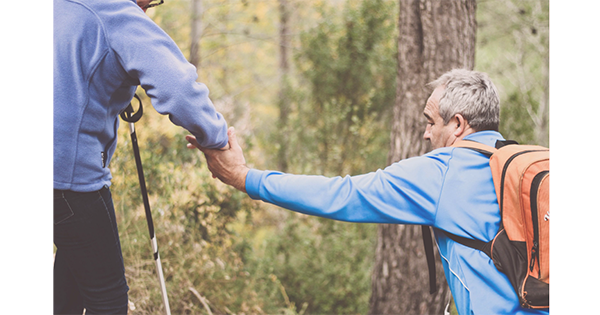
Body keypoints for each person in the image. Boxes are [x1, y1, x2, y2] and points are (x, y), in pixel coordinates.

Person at [186, 69, 550, 315]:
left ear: (457, 124)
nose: (425, 134)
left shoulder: (441, 172)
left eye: (429, 121)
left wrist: (245, 177)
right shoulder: (516, 162)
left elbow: (341, 195)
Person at [53, 0, 230, 314]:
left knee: (73, 279)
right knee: (107, 298)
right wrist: (217, 139)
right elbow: (179, 89)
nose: (148, 9)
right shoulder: (116, 13)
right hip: (67, 179)